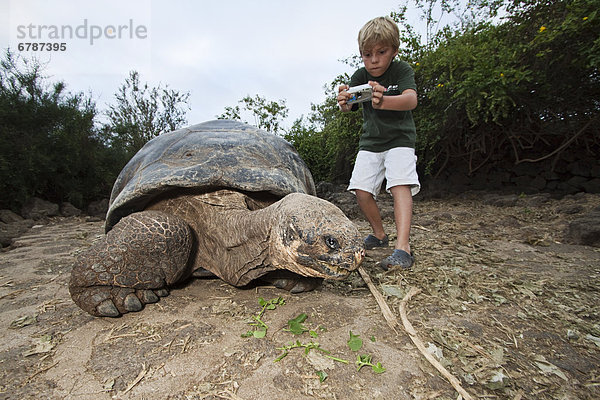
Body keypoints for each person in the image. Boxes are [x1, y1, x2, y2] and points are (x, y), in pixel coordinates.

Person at [337, 16, 420, 269]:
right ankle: (380, 234)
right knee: (361, 191)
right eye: (367, 54)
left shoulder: (402, 70)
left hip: (400, 139)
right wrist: (344, 102)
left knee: (399, 186)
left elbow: (411, 100)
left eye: (381, 52)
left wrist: (383, 100)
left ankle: (403, 248)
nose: (373, 60)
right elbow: (350, 107)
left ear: (394, 50)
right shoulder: (360, 74)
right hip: (371, 142)